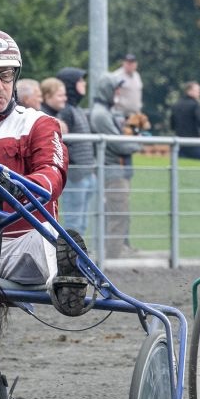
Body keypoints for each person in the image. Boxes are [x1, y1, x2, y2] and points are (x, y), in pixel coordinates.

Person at [0, 28, 88, 318]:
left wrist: (26, 185)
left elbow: (52, 172)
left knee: (51, 239)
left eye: (6, 75)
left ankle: (67, 280)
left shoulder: (39, 124)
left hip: (23, 245)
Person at [89, 73, 141, 258]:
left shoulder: (105, 112)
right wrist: (138, 143)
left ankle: (113, 254)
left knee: (119, 214)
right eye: (116, 89)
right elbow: (117, 143)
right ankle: (112, 257)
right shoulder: (101, 114)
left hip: (115, 170)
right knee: (117, 215)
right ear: (108, 90)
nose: (118, 92)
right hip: (113, 171)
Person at [55, 67, 96, 235]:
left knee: (82, 223)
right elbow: (63, 142)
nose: (84, 84)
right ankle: (70, 259)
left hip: (86, 173)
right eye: (80, 81)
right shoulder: (66, 111)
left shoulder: (78, 109)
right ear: (71, 85)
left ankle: (79, 258)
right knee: (74, 223)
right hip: (75, 175)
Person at [170, 81, 200, 161]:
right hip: (193, 141)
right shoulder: (195, 105)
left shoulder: (176, 105)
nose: (199, 93)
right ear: (189, 91)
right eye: (197, 91)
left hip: (179, 143)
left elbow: (172, 124)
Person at [111, 53, 143, 118]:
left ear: (136, 64)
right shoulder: (116, 76)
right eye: (128, 63)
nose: (130, 65)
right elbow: (111, 93)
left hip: (135, 115)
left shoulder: (137, 75)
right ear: (123, 63)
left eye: (132, 63)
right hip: (120, 114)